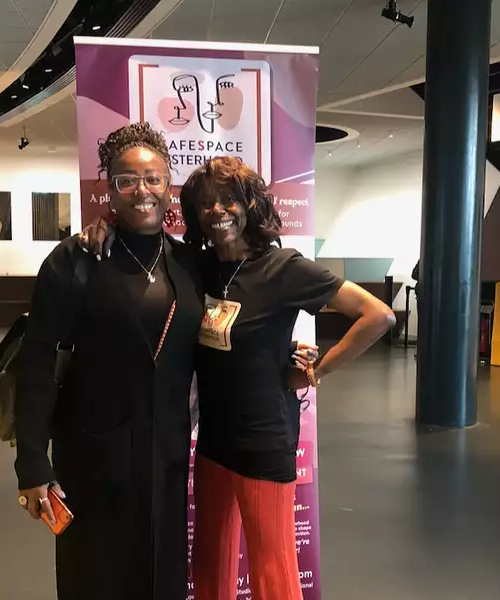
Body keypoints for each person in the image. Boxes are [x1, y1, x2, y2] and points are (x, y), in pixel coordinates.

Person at [181, 157, 395, 600]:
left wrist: (318, 371)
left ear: (249, 204)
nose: (217, 210)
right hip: (213, 442)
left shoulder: (283, 268)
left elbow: (378, 315)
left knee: (273, 574)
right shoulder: (200, 268)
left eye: (228, 199)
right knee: (208, 567)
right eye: (205, 203)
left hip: (263, 441)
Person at [13, 122, 205, 600]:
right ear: (109, 189)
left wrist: (288, 358)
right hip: (91, 459)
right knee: (94, 578)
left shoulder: (190, 265)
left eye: (153, 178)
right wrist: (32, 463)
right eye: (127, 180)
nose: (143, 190)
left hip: (166, 458)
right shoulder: (74, 263)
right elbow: (37, 363)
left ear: (169, 185)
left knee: (162, 578)